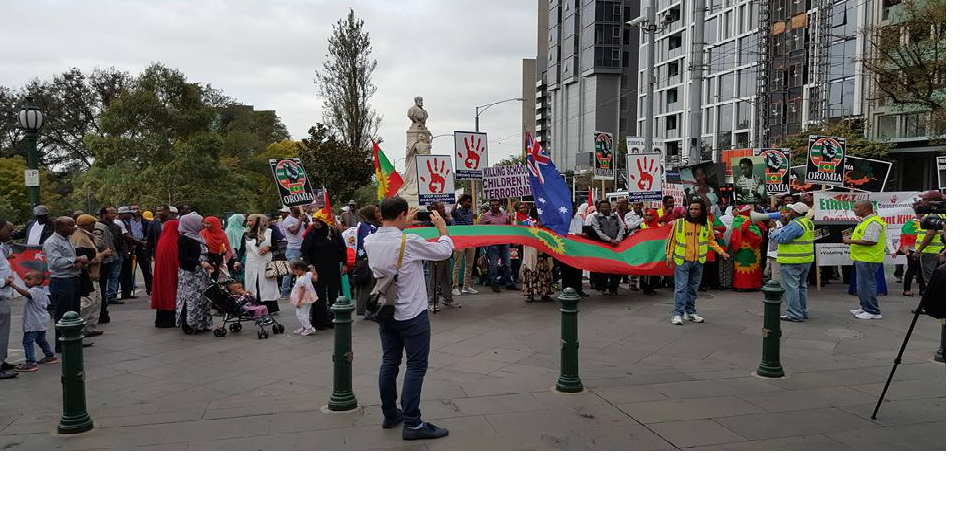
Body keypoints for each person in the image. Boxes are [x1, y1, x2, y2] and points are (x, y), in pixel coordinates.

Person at [364, 197, 454, 441]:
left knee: (389, 362)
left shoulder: (369, 241)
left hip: (385, 310)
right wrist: (442, 229)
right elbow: (444, 252)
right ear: (402, 214)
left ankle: (390, 414)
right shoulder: (410, 241)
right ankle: (413, 423)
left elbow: (391, 240)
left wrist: (402, 224)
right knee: (416, 366)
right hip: (412, 312)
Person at [666, 198, 729, 325]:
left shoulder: (707, 224)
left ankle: (690, 312)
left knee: (693, 288)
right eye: (691, 209)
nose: (693, 211)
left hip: (698, 261)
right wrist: (669, 256)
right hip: (682, 260)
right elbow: (671, 240)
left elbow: (711, 241)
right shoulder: (679, 223)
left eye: (696, 209)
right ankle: (677, 314)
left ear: (702, 211)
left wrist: (721, 252)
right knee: (681, 288)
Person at [43, 216, 87, 353]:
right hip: (62, 281)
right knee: (63, 314)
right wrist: (76, 259)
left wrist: (78, 263)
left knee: (74, 313)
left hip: (73, 278)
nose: (74, 228)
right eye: (71, 225)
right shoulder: (51, 242)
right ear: (60, 227)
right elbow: (55, 262)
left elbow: (69, 260)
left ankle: (74, 340)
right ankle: (61, 344)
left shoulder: (68, 239)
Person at [301, 214, 347, 329]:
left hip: (333, 267)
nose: (316, 223)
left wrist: (345, 264)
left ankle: (334, 317)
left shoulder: (334, 232)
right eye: (314, 220)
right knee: (319, 294)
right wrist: (310, 266)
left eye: (318, 220)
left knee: (333, 292)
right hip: (317, 269)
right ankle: (320, 321)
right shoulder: (311, 234)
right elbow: (304, 251)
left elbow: (342, 248)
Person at [843, 200, 887, 320]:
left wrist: (850, 241)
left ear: (866, 209)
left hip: (868, 259)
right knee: (862, 286)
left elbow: (871, 241)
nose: (854, 210)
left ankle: (873, 311)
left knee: (867, 285)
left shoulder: (873, 222)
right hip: (863, 258)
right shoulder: (865, 221)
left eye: (857, 207)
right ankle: (865, 307)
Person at [770, 203, 814, 322]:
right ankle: (802, 311)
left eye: (791, 211)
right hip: (806, 259)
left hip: (792, 261)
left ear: (794, 212)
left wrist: (773, 230)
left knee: (791, 288)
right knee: (801, 287)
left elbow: (782, 239)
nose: (788, 212)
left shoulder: (795, 224)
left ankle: (794, 314)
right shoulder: (807, 222)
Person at [8, 271, 58, 372]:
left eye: (29, 279)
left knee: (27, 341)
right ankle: (50, 356)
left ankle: (30, 362)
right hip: (42, 321)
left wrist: (15, 286)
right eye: (25, 278)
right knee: (41, 339)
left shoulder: (33, 291)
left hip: (33, 322)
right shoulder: (43, 291)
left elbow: (27, 294)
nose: (26, 281)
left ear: (39, 281)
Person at [234, 214, 281, 315]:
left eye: (251, 220)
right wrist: (238, 261)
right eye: (248, 220)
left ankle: (270, 308)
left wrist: (268, 248)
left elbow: (276, 246)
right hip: (251, 262)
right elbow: (242, 249)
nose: (248, 222)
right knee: (253, 284)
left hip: (265, 262)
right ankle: (254, 308)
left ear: (257, 221)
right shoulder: (246, 234)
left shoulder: (269, 232)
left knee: (266, 286)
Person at [176, 213, 214, 334]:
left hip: (202, 273)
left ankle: (202, 323)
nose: (203, 224)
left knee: (202, 298)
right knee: (190, 298)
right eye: (201, 222)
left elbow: (205, 253)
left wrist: (211, 262)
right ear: (191, 224)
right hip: (190, 273)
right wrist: (199, 263)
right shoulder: (184, 239)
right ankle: (189, 325)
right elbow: (182, 257)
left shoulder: (198, 236)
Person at [71, 214, 108, 338]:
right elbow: (87, 258)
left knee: (96, 301)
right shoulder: (80, 237)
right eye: (93, 224)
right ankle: (79, 328)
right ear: (87, 224)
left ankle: (89, 327)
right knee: (88, 302)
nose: (94, 226)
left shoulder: (86, 235)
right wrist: (103, 255)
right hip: (88, 275)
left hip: (94, 274)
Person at [588, 199, 626, 295]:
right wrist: (609, 240)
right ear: (599, 208)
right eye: (602, 207)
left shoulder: (616, 216)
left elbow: (622, 228)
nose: (604, 209)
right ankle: (603, 288)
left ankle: (614, 289)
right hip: (603, 246)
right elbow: (597, 231)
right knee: (603, 269)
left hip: (616, 246)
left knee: (617, 268)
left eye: (606, 207)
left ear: (610, 207)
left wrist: (617, 240)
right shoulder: (595, 217)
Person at [479, 199, 516, 292]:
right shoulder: (486, 216)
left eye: (496, 205)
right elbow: (480, 229)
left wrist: (510, 220)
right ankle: (494, 283)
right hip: (493, 244)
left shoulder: (505, 215)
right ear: (490, 206)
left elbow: (509, 227)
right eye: (493, 205)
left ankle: (509, 283)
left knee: (507, 264)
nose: (495, 207)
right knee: (494, 264)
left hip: (504, 242)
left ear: (499, 205)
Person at [426, 202, 458, 310]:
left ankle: (448, 299)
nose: (443, 209)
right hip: (435, 254)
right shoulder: (429, 223)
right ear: (434, 209)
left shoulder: (447, 221)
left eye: (444, 207)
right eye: (441, 208)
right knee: (434, 279)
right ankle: (432, 302)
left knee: (446, 278)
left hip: (445, 253)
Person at [519, 208, 554, 302]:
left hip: (543, 252)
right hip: (531, 251)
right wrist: (536, 227)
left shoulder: (546, 223)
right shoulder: (527, 222)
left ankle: (544, 292)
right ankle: (530, 293)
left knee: (544, 271)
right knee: (531, 271)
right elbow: (525, 235)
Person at [1, 218, 20, 379]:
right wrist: (3, 282)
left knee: (4, 332)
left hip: (3, 296)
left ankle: (2, 360)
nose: (11, 233)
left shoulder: (2, 247)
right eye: (9, 230)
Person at [151, 219, 180, 328]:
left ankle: (161, 320)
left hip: (161, 274)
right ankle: (170, 320)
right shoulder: (174, 241)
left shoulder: (162, 240)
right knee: (170, 294)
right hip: (171, 274)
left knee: (162, 294)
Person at [729, 205, 764, 291]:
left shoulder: (753, 218)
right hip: (743, 247)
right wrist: (748, 222)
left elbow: (762, 228)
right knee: (743, 266)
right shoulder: (738, 219)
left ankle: (754, 285)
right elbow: (737, 230)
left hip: (753, 247)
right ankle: (742, 285)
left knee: (753, 266)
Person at [354, 205, 380, 317]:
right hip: (365, 260)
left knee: (373, 286)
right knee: (366, 286)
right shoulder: (364, 226)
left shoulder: (373, 225)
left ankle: (371, 309)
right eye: (376, 212)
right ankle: (364, 310)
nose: (379, 214)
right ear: (370, 213)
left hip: (372, 259)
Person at [121, 203, 152, 297]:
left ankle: (150, 289)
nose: (136, 210)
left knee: (147, 269)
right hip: (131, 246)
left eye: (137, 208)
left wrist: (145, 241)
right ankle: (127, 292)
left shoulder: (145, 221)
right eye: (133, 209)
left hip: (142, 246)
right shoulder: (126, 222)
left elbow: (148, 233)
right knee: (128, 270)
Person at [93, 209, 118, 324]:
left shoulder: (101, 226)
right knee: (101, 288)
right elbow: (98, 243)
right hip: (103, 260)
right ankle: (102, 313)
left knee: (101, 288)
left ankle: (102, 313)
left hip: (105, 259)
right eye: (111, 213)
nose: (113, 215)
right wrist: (105, 250)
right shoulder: (100, 227)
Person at [451, 194, 478, 296]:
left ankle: (466, 286)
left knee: (469, 265)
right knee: (457, 265)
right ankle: (455, 286)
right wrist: (458, 200)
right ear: (462, 202)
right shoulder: (457, 212)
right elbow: (452, 212)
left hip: (470, 240)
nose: (469, 203)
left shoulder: (470, 212)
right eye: (467, 201)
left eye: (470, 201)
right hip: (459, 240)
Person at [280, 206, 307, 298]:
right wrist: (300, 220)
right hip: (293, 249)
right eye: (298, 206)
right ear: (291, 208)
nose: (300, 207)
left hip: (303, 247)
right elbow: (294, 231)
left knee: (304, 270)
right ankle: (284, 292)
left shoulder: (302, 217)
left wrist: (306, 220)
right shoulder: (288, 220)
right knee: (291, 271)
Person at [289, 261, 319, 336]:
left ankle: (309, 328)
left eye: (294, 270)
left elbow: (302, 290)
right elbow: (315, 278)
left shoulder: (301, 279)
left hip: (303, 299)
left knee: (299, 314)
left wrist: (299, 301)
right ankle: (304, 326)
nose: (293, 272)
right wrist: (313, 270)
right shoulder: (308, 274)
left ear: (299, 269)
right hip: (309, 298)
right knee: (305, 313)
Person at [899, 211, 926, 296]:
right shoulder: (911, 223)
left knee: (921, 270)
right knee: (912, 269)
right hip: (913, 249)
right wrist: (905, 248)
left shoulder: (926, 222)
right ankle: (907, 290)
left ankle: (922, 289)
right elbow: (904, 236)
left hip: (923, 249)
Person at [200, 216, 231, 281]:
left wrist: (224, 252)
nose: (206, 225)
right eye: (205, 223)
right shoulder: (202, 233)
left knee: (216, 278)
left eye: (208, 223)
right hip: (206, 259)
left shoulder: (222, 234)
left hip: (218, 259)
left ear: (215, 224)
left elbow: (227, 248)